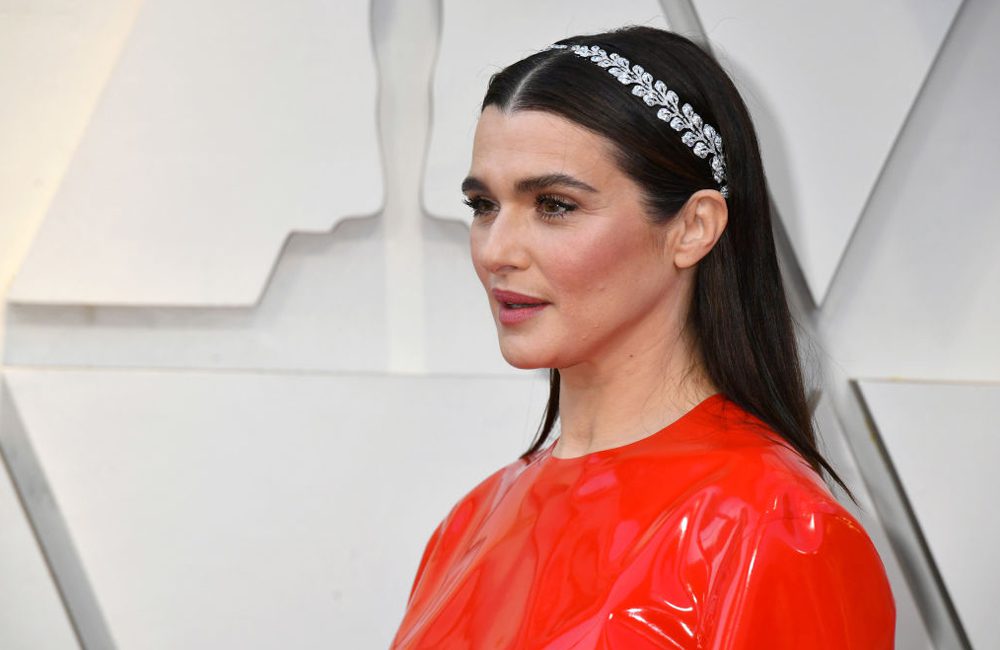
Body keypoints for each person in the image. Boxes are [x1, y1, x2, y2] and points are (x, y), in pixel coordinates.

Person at [391, 25, 895, 649]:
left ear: (693, 228)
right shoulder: (471, 521)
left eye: (554, 204)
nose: (495, 250)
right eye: (483, 205)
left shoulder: (775, 530)